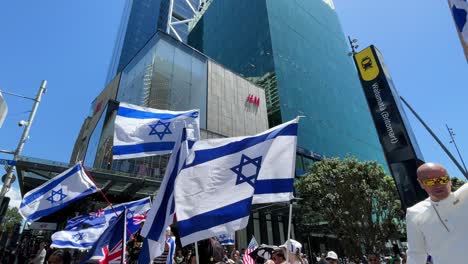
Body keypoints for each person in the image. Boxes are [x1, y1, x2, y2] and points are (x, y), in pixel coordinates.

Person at [406, 163, 468, 263]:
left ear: (449, 180)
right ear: (421, 183)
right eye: (430, 182)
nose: (438, 185)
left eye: (443, 179)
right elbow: (416, 253)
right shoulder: (414, 212)